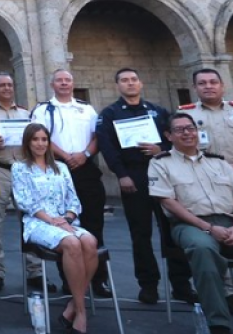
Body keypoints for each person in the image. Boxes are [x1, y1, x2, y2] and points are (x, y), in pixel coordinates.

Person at [96, 67, 195, 305]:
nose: (130, 84)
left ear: (140, 84)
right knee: (140, 234)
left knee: (171, 231)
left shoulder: (158, 111)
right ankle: (148, 285)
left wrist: (161, 149)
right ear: (117, 86)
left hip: (163, 174)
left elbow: (174, 137)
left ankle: (181, 285)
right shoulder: (110, 114)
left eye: (133, 79)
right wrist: (121, 174)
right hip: (134, 176)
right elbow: (107, 146)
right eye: (124, 80)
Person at [149, 112, 233, 334]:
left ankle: (228, 294)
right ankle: (220, 323)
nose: (187, 133)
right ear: (169, 135)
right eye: (180, 129)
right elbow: (168, 202)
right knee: (203, 248)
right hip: (190, 225)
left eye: (191, 128)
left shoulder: (220, 163)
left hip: (229, 221)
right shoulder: (160, 164)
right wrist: (208, 228)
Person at [30, 69, 110, 297]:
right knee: (62, 226)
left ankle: (98, 280)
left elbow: (97, 137)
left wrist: (84, 154)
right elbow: (39, 136)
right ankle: (69, 280)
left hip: (86, 169)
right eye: (59, 80)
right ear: (52, 84)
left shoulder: (86, 108)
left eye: (68, 80)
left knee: (94, 225)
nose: (64, 83)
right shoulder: (43, 109)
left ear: (73, 83)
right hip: (57, 170)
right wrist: (66, 156)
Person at [12, 123, 98, 334]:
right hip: (38, 222)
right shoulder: (19, 168)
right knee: (72, 244)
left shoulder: (61, 168)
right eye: (35, 139)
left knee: (90, 241)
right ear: (27, 142)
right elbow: (25, 203)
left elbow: (73, 200)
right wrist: (52, 220)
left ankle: (72, 305)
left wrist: (67, 218)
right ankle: (81, 311)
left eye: (44, 139)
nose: (40, 144)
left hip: (65, 221)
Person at [0, 72, 48, 293]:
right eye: (2, 85)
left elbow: (37, 141)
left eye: (9, 85)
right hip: (0, 170)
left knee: (31, 221)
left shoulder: (27, 114)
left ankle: (35, 271)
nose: (7, 88)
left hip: (25, 171)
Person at [181, 68, 233, 160]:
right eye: (202, 83)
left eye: (213, 82)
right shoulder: (184, 114)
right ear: (194, 88)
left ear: (222, 85)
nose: (208, 86)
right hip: (204, 170)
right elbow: (180, 146)